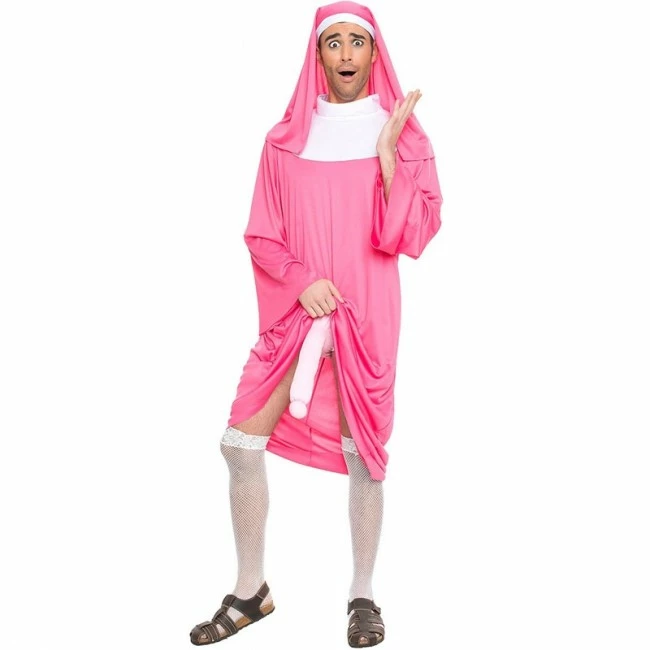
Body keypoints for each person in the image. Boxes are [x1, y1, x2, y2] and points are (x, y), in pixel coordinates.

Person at [190, 1, 442, 646]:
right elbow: (261, 234)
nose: (347, 53)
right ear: (319, 54)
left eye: (359, 41)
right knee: (238, 442)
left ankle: (363, 595)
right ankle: (251, 591)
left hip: (367, 316)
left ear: (375, 52)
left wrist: (387, 157)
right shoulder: (284, 141)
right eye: (335, 42)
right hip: (297, 314)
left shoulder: (404, 136)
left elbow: (414, 235)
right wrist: (304, 282)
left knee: (366, 460)